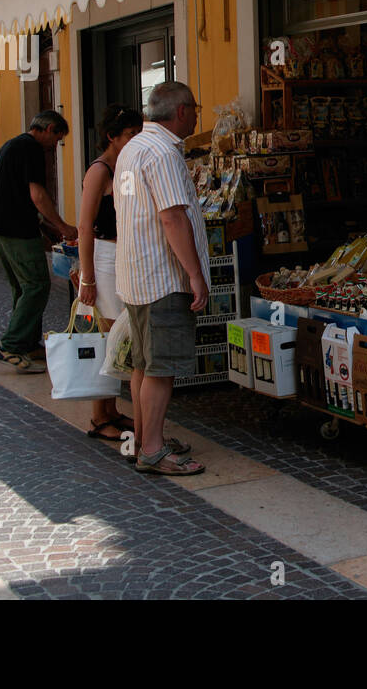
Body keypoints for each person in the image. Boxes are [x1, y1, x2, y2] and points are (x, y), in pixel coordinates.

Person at [116, 82, 208, 476]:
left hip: (137, 275)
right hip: (161, 278)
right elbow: (171, 217)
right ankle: (152, 450)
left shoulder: (133, 148)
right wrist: (194, 274)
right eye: (196, 109)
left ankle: (144, 437)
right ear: (182, 111)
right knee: (160, 369)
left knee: (144, 364)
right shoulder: (162, 153)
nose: (197, 116)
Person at [0, 110, 76, 373]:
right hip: (16, 228)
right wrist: (63, 226)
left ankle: (27, 343)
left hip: (1, 225)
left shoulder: (11, 145)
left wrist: (46, 228)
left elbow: (13, 192)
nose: (55, 147)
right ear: (49, 129)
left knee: (23, 288)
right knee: (36, 285)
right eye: (57, 139)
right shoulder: (32, 149)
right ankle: (12, 346)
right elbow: (37, 195)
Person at [76, 104, 143, 442]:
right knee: (108, 335)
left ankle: (111, 409)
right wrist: (86, 277)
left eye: (137, 133)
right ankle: (98, 416)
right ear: (112, 137)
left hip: (122, 255)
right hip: (104, 257)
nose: (135, 139)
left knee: (120, 334)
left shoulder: (126, 166)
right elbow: (85, 226)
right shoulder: (99, 170)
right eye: (130, 134)